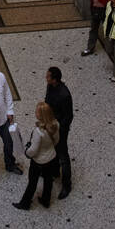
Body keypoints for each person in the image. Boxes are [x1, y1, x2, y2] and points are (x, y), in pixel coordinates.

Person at [13, 103, 59, 210]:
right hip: (51, 158)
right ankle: (46, 200)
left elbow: (33, 150)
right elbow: (57, 141)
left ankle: (25, 203)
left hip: (39, 162)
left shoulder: (38, 131)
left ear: (41, 115)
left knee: (32, 182)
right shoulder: (56, 124)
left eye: (37, 111)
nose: (35, 113)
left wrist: (26, 152)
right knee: (48, 180)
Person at [44, 66, 73, 199]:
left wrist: (59, 129)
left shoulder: (65, 94)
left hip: (60, 129)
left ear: (55, 79)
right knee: (53, 149)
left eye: (48, 76)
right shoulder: (50, 86)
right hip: (51, 125)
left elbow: (68, 116)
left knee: (63, 155)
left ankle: (67, 184)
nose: (46, 78)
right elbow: (47, 102)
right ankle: (55, 171)